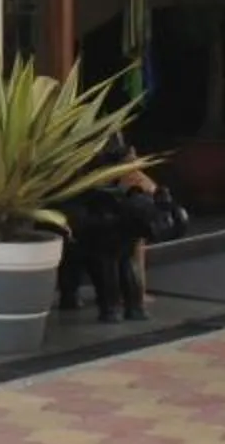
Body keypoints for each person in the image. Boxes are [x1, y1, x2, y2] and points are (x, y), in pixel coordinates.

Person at [58, 131, 162, 322]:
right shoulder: (116, 173)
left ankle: (116, 307)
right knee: (115, 264)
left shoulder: (122, 176)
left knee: (109, 264)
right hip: (102, 213)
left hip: (106, 214)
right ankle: (124, 307)